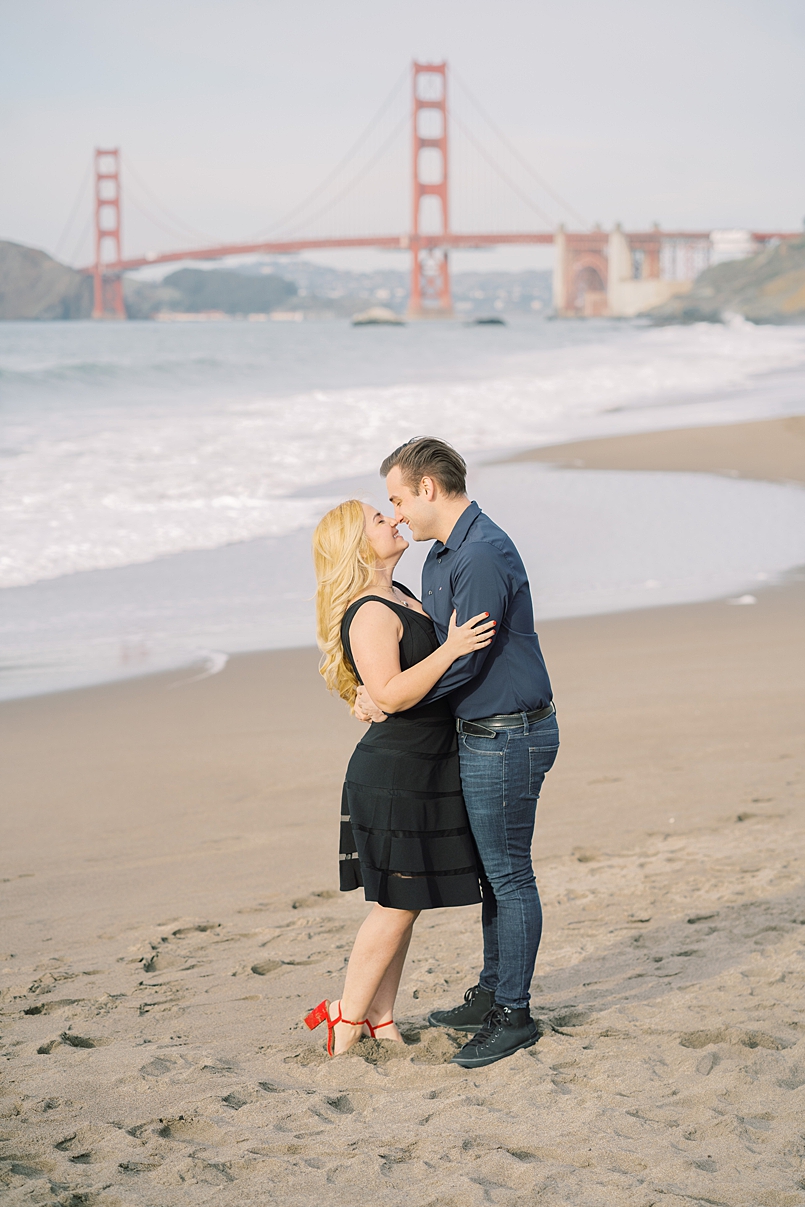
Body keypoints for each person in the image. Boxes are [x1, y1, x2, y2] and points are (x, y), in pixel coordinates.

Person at [356, 437, 559, 1068]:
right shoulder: (440, 559)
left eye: (397, 497)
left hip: (510, 731)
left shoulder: (483, 555)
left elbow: (463, 662)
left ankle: (512, 1013)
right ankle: (492, 992)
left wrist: (390, 700)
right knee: (493, 872)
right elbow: (427, 650)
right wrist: (372, 691)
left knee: (507, 872)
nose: (396, 513)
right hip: (476, 732)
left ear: (428, 488)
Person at [306, 498, 495, 1057]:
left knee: (403, 901)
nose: (392, 520)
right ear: (356, 545)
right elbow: (391, 692)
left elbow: (381, 690)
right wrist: (453, 649)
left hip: (424, 765)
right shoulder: (369, 610)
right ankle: (346, 1016)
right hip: (395, 772)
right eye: (377, 519)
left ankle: (381, 1020)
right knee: (396, 904)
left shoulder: (401, 596)